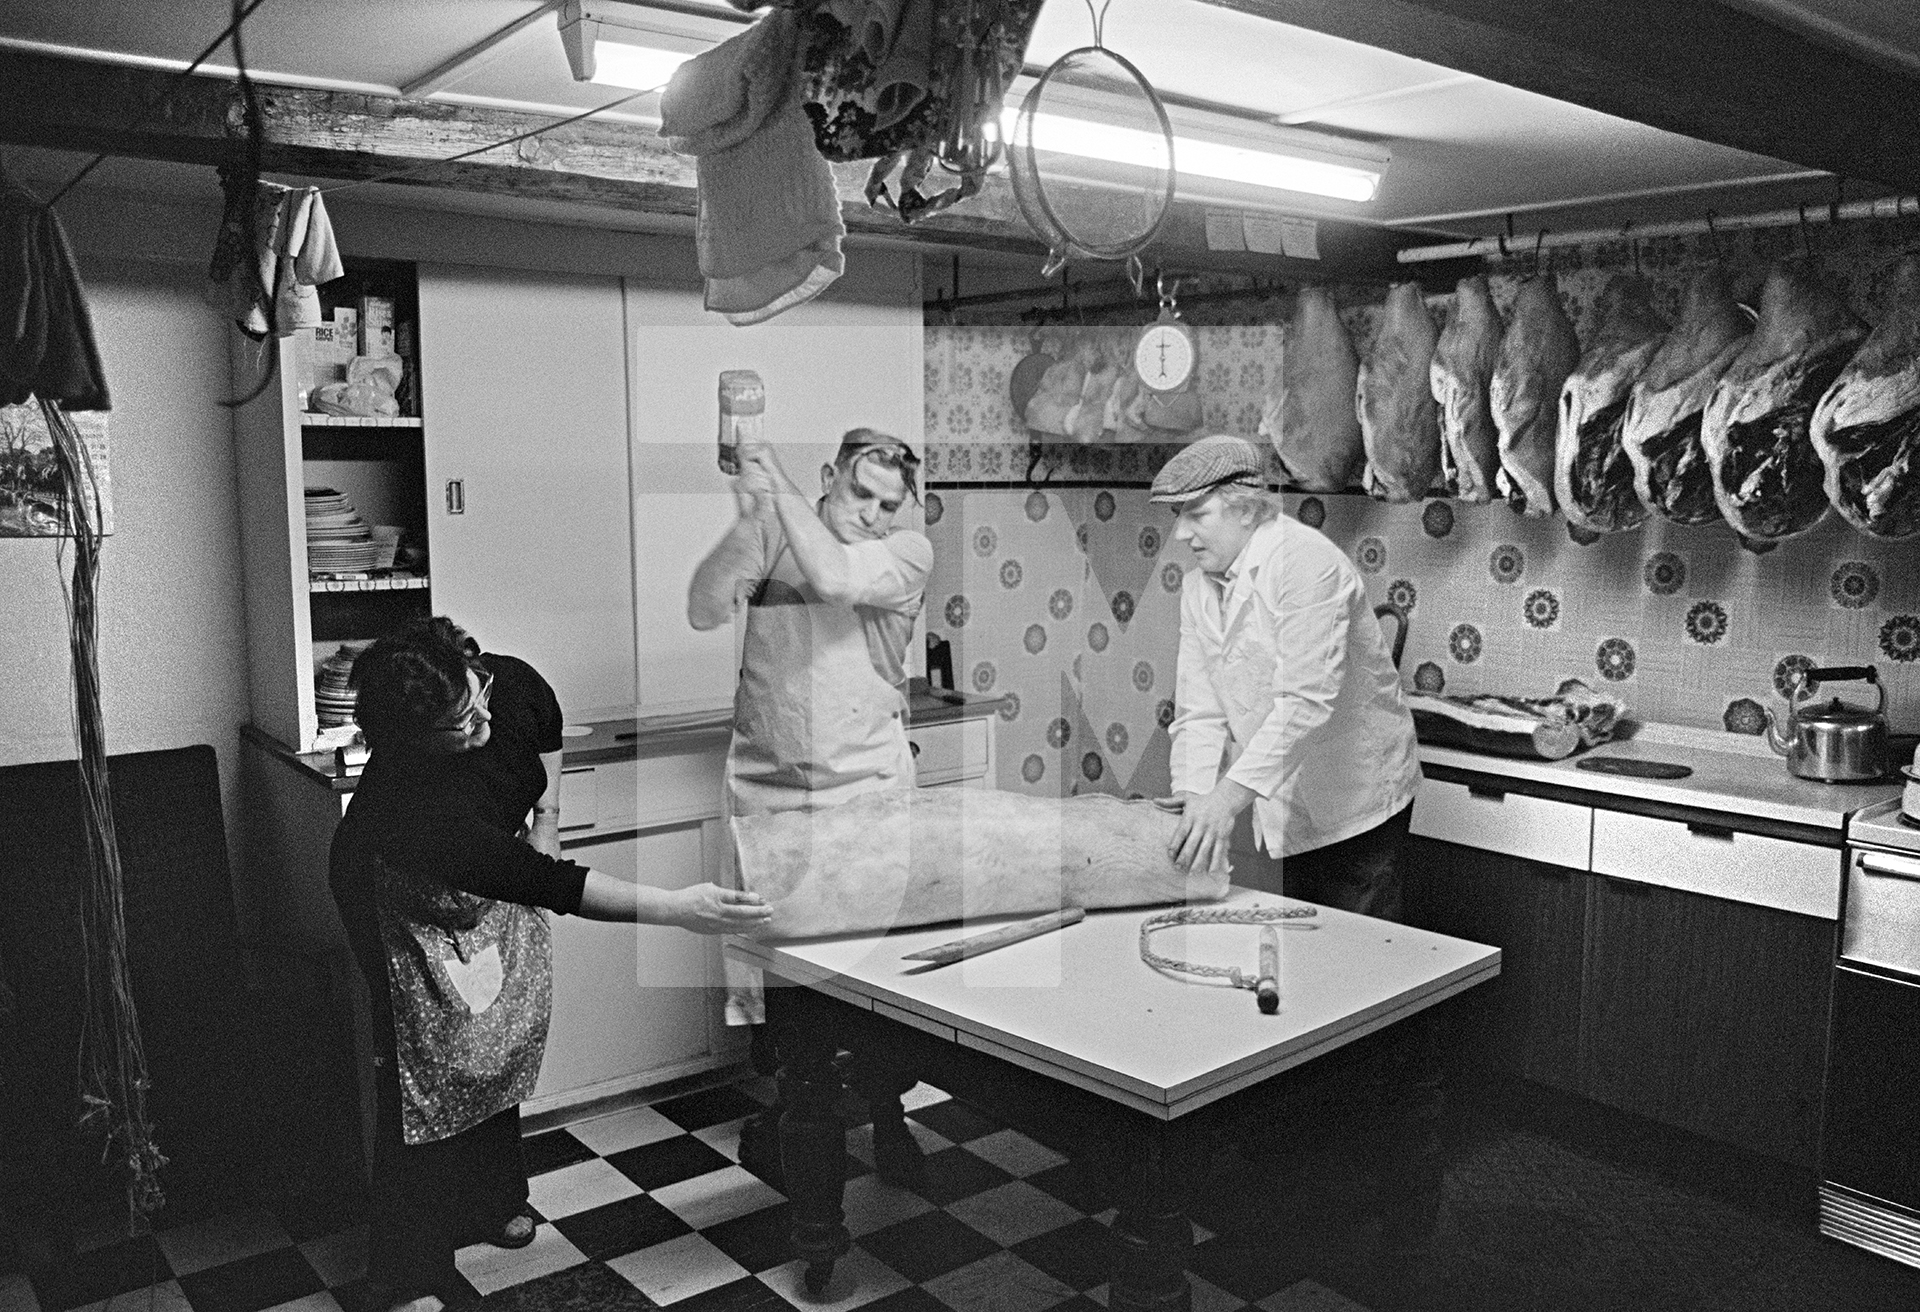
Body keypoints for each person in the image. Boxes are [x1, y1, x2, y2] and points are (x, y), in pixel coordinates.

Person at [332, 620, 770, 1312]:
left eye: (477, 695)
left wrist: (549, 816)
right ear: (411, 743)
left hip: (487, 875)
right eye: (460, 724)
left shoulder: (505, 682)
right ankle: (407, 1270)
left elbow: (543, 724)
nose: (481, 717)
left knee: (496, 1031)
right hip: (398, 894)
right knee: (428, 1063)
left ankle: (492, 1198)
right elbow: (553, 888)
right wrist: (679, 906)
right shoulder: (420, 809)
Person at [1150, 434, 1441, 1274]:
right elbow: (1199, 708)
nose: (1182, 536)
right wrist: (1189, 805)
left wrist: (1227, 801)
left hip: (1358, 809)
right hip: (1282, 811)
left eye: (1194, 516)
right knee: (1291, 1000)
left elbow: (1305, 701)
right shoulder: (1202, 585)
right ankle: (1305, 1195)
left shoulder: (1303, 564)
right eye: (1177, 520)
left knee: (1373, 1004)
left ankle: (1404, 1197)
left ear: (1245, 504)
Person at [688, 428, 931, 1183]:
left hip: (865, 797)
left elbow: (831, 579)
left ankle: (890, 1120)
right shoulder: (779, 529)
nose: (872, 515)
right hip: (771, 796)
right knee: (793, 1003)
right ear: (829, 477)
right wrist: (753, 517)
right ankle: (807, 1142)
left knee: (878, 990)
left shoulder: (907, 554)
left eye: (888, 505)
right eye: (859, 494)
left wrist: (779, 487)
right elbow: (703, 607)